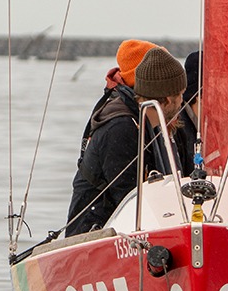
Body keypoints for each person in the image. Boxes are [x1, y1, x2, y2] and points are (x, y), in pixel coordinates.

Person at [65, 46, 187, 236]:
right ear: (169, 99)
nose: (183, 101)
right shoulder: (121, 128)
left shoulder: (146, 123)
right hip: (93, 236)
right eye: (181, 95)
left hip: (127, 234)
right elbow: (127, 198)